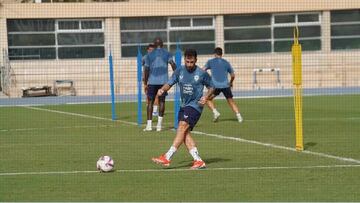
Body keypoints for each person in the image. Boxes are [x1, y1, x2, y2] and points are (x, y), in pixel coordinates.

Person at [152, 49, 215, 169]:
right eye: (187, 61)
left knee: (182, 126)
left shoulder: (201, 73)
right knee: (184, 133)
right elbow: (170, 83)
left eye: (192, 62)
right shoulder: (179, 71)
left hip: (195, 106)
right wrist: (162, 89)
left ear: (196, 60)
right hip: (184, 105)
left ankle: (167, 156)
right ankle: (198, 161)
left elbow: (212, 86)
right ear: (184, 60)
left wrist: (206, 96)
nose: (189, 64)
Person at [143, 37, 176, 131]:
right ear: (162, 44)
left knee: (150, 102)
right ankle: (159, 126)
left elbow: (146, 69)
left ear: (154, 44)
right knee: (162, 101)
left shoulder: (149, 55)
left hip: (152, 81)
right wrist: (176, 75)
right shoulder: (167, 53)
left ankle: (149, 126)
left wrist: (145, 82)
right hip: (163, 81)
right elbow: (172, 64)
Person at [203, 47, 243, 123]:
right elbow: (233, 75)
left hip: (215, 86)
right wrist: (231, 82)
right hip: (226, 86)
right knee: (231, 102)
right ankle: (239, 117)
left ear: (214, 54)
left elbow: (202, 70)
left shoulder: (210, 62)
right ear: (222, 54)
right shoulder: (226, 62)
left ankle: (215, 112)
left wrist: (206, 80)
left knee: (207, 99)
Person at [142, 44, 159, 117]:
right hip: (147, 79)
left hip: (156, 79)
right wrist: (144, 78)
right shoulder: (145, 58)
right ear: (147, 50)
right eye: (150, 50)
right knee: (148, 95)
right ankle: (149, 108)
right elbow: (143, 67)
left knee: (157, 95)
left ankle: (155, 111)